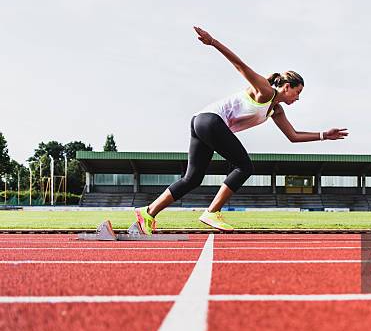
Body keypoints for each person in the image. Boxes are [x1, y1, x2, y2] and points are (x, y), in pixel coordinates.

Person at [135, 26, 349, 233]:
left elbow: (293, 136)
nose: (298, 98)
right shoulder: (265, 92)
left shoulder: (276, 110)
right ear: (286, 87)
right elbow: (240, 65)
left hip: (200, 122)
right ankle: (212, 211)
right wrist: (213, 42)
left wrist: (324, 136)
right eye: (297, 92)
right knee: (244, 166)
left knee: (192, 179)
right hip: (210, 121)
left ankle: (148, 212)